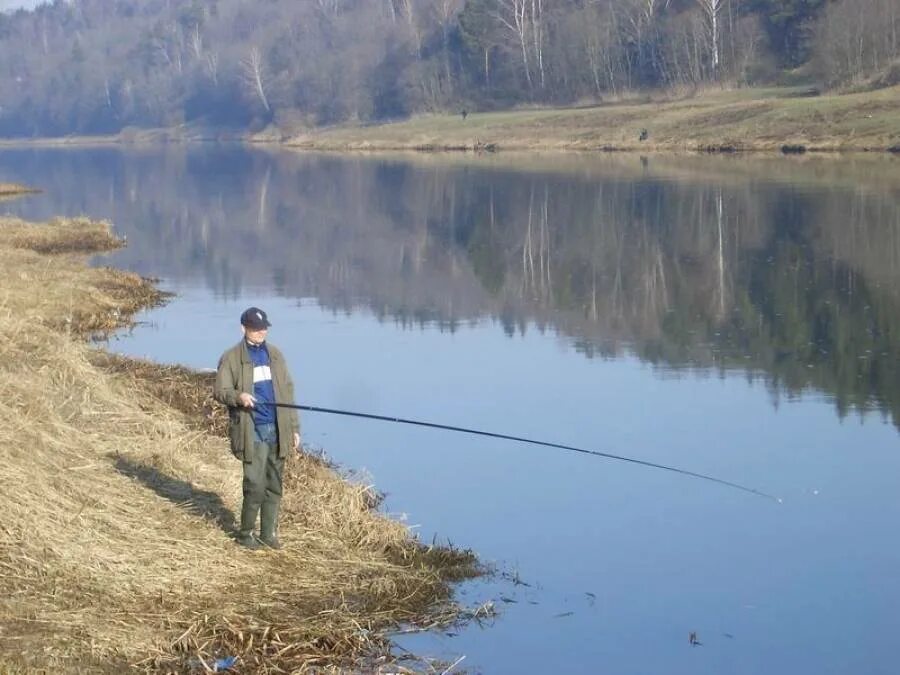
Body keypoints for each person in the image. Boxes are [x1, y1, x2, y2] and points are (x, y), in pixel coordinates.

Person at [214, 307, 300, 550]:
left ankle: (268, 534)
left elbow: (289, 391)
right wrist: (239, 396)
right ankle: (245, 534)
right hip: (251, 429)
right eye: (256, 328)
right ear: (244, 328)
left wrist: (293, 427)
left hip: (278, 427)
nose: (261, 332)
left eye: (264, 328)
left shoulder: (275, 355)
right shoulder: (231, 357)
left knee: (274, 483)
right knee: (254, 484)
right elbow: (220, 391)